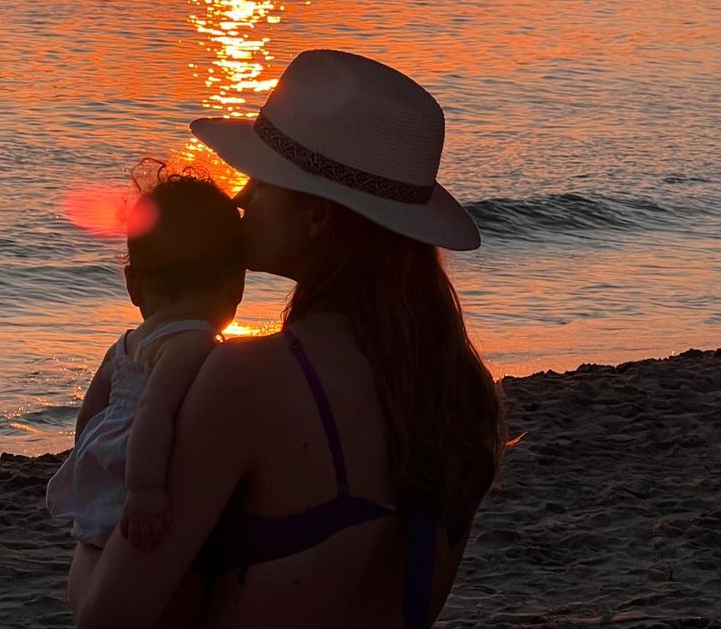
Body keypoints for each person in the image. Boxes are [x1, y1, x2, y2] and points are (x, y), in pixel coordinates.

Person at [73, 49, 504, 629]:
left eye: (263, 179)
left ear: (318, 220)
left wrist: (88, 524)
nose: (242, 198)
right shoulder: (462, 389)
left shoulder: (249, 380)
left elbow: (108, 616)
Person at [48, 173, 245, 610]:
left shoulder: (126, 342)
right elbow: (155, 411)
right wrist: (145, 491)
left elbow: (91, 414)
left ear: (133, 283)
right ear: (236, 284)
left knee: (103, 546)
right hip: (144, 465)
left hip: (106, 459)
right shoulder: (193, 340)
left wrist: (85, 463)